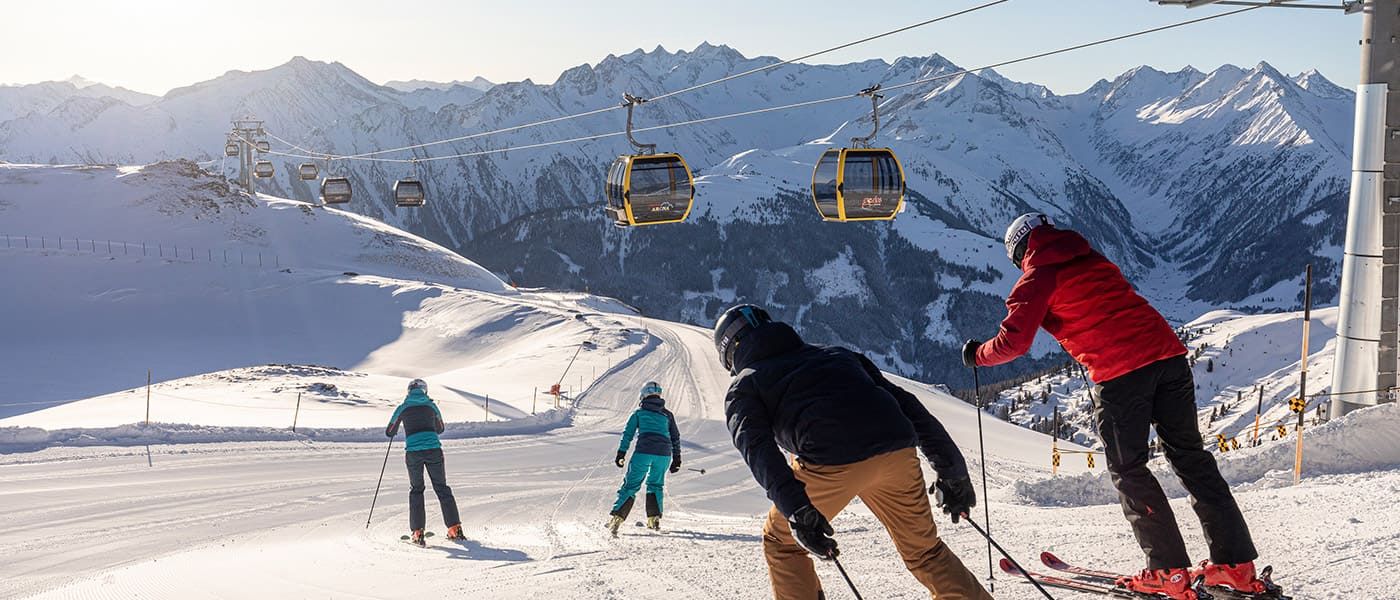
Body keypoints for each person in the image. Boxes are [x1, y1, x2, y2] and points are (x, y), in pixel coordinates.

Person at [964, 213, 1267, 599]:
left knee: (1129, 468)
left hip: (1122, 374)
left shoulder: (1038, 276)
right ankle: (1236, 565)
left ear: (1020, 250)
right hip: (1169, 358)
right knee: (1191, 457)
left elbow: (1014, 342)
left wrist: (978, 354)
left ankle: (1169, 571)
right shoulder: (1091, 257)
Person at [714, 304, 991, 600]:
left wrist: (797, 510)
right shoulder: (838, 355)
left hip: (831, 462)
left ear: (731, 353)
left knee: (781, 542)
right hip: (897, 451)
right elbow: (908, 405)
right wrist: (952, 470)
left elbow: (758, 449)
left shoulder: (745, 385)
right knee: (925, 551)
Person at [385, 378, 463, 546]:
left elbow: (389, 432)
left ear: (409, 391)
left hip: (413, 453)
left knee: (417, 489)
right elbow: (441, 428)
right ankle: (454, 528)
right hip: (434, 450)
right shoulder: (431, 406)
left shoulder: (403, 407)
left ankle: (418, 532)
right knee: (442, 488)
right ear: (424, 390)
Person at [607, 381, 682, 536]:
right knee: (656, 484)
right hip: (664, 454)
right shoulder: (667, 414)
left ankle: (617, 519)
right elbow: (675, 437)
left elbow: (628, 434)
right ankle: (653, 519)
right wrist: (677, 458)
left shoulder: (639, 413)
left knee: (631, 485)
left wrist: (621, 453)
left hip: (644, 452)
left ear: (643, 395)